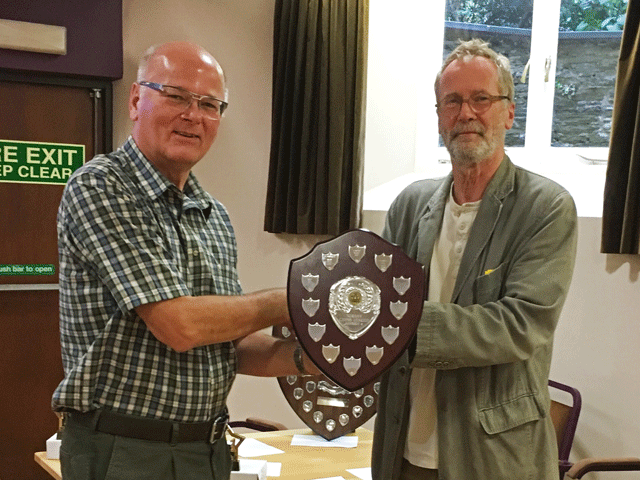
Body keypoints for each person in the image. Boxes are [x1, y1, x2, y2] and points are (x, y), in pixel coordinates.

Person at [53, 41, 316, 480]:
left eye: (210, 104)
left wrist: (316, 357)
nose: (193, 115)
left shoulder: (213, 215)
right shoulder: (100, 187)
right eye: (176, 96)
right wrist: (297, 298)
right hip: (122, 452)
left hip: (204, 449)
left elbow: (231, 346)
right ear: (137, 100)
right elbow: (181, 326)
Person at [371, 39, 578, 480]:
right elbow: (372, 302)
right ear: (439, 117)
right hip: (402, 453)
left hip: (494, 460)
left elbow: (521, 325)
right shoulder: (409, 205)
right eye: (452, 101)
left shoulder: (545, 207)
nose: (466, 113)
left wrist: (396, 326)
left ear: (509, 111)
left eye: (481, 99)